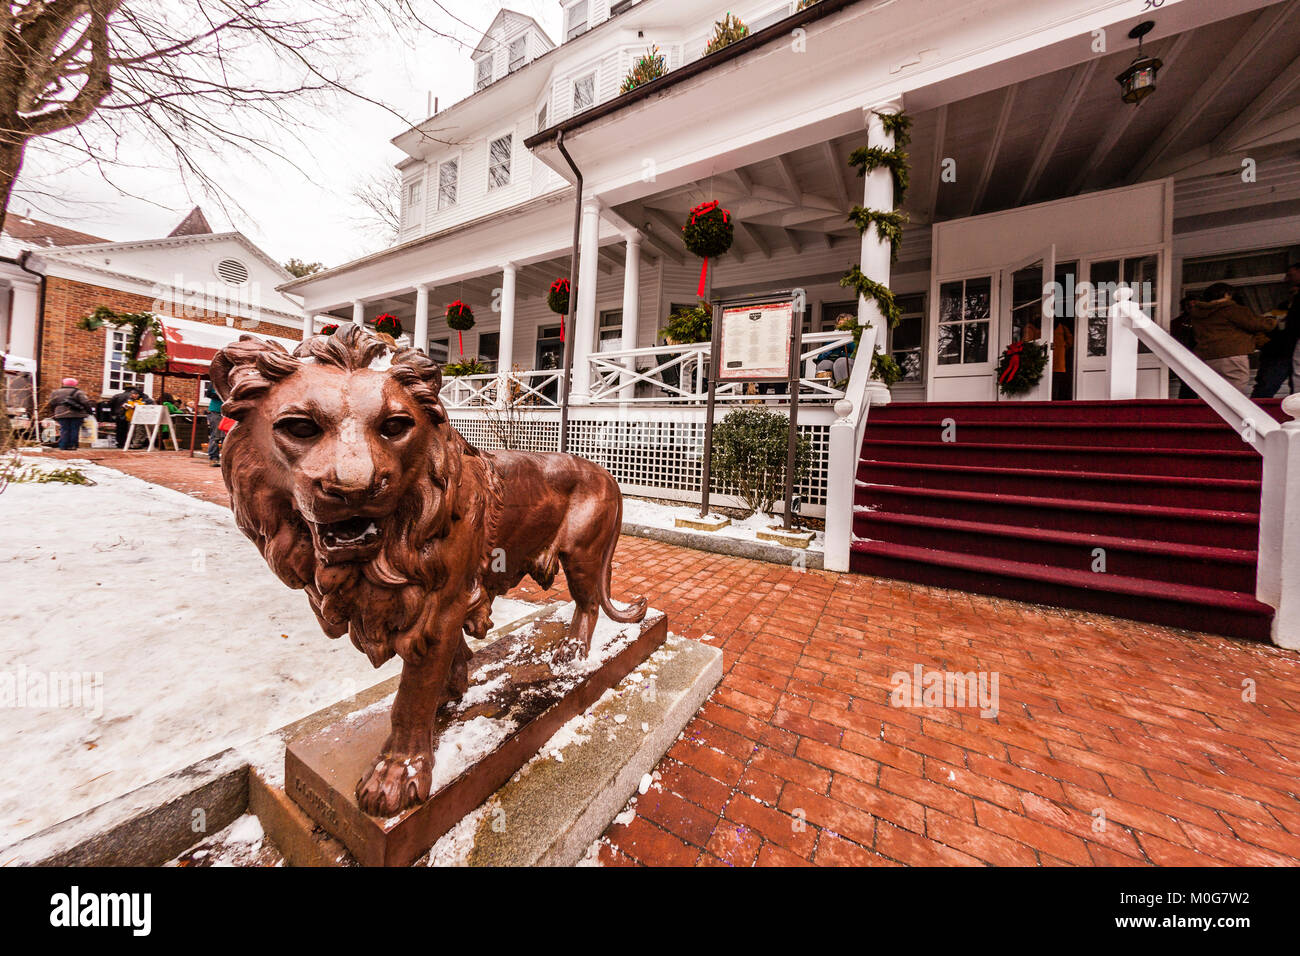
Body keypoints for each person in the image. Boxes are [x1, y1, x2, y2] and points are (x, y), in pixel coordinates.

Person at [1187, 283, 1276, 397]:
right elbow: (1256, 324)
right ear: (1226, 294)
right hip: (1232, 354)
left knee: (1210, 393)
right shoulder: (1232, 309)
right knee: (1234, 393)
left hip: (1206, 356)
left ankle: (1209, 414)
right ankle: (1227, 415)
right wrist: (1272, 320)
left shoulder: (1197, 312)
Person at [1252, 262, 1300, 398]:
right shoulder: (1279, 309)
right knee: (1265, 388)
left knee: (1296, 391)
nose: (1287, 279)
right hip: (1278, 353)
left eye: (1290, 275)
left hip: (1290, 350)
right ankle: (1253, 415)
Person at [43, 378, 94, 450]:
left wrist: (55, 412)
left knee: (64, 429)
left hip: (61, 413)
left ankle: (63, 446)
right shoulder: (79, 392)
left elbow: (51, 403)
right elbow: (85, 402)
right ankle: (72, 446)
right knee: (74, 429)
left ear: (64, 383)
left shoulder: (55, 392)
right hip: (77, 414)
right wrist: (90, 412)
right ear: (75, 384)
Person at [207, 391, 225, 467]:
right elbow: (208, 393)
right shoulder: (215, 382)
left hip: (229, 412)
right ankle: (213, 458)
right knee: (216, 435)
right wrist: (223, 394)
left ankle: (226, 458)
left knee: (227, 436)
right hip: (216, 412)